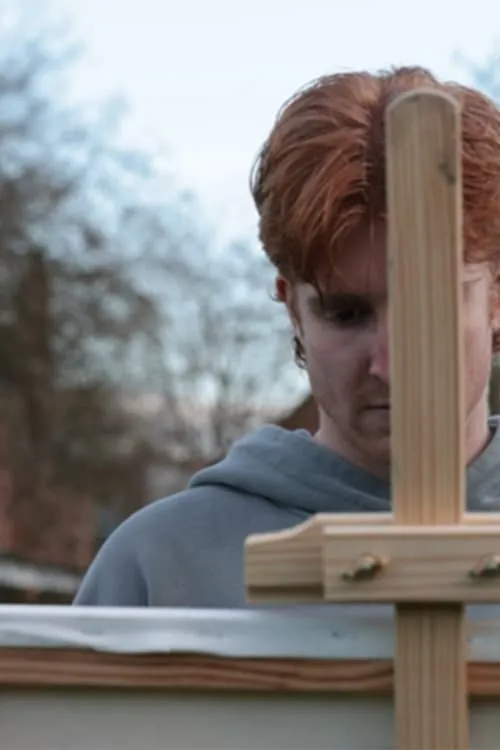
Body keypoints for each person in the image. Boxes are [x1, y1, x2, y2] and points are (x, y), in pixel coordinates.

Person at [74, 65, 500, 607]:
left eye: (430, 307)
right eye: (346, 314)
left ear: (496, 295)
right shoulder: (160, 568)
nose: (390, 366)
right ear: (292, 308)